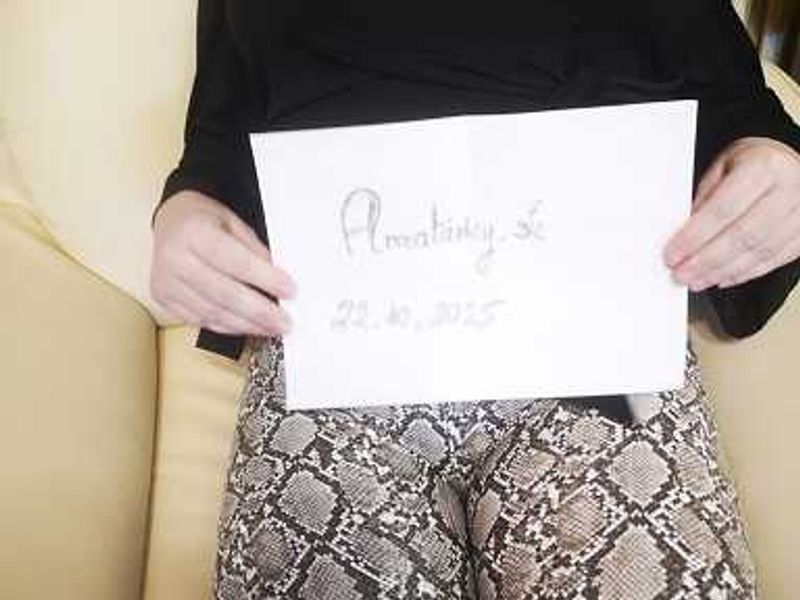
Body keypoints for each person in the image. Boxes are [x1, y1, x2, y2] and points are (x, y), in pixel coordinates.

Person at [149, 1, 800, 598]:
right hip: (340, 341)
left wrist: (771, 160)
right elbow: (221, 130)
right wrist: (189, 209)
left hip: (592, 332)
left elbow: (736, 102)